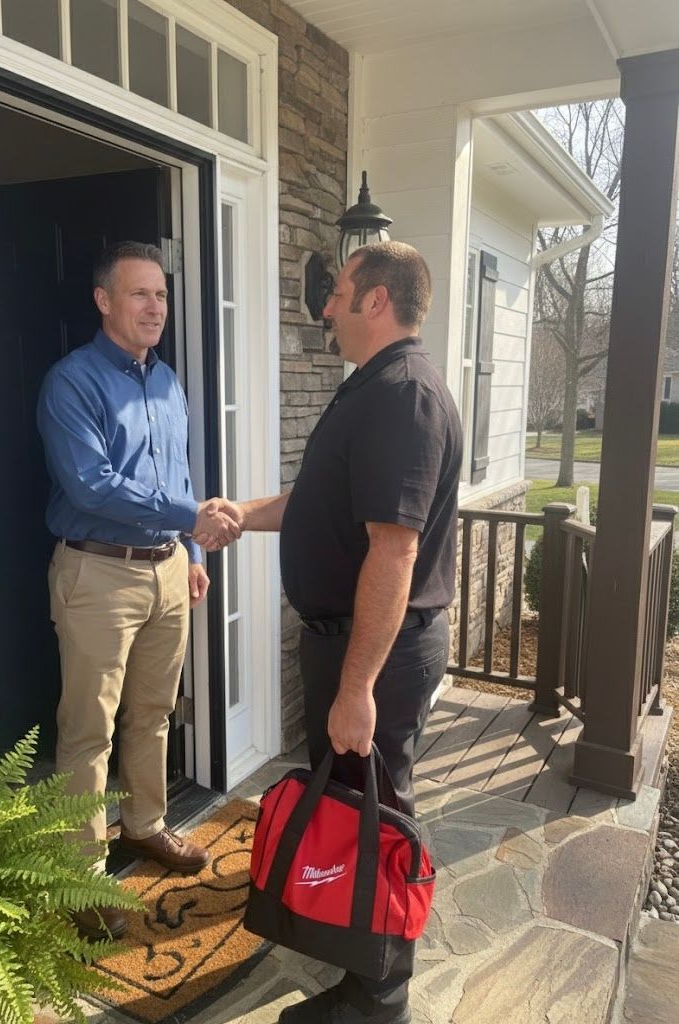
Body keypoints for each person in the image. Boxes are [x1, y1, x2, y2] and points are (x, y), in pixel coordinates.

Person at [238, 241, 462, 1024]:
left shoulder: (402, 395)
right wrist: (243, 515)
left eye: (335, 293)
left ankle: (377, 998)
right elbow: (315, 495)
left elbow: (394, 550)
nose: (323, 307)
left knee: (378, 817)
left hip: (378, 655)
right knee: (349, 807)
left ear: (374, 301)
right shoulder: (368, 390)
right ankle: (353, 959)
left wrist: (357, 686)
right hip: (350, 643)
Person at [37, 241, 241, 941]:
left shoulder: (167, 381)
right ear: (103, 300)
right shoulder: (73, 382)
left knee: (154, 710)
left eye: (160, 294)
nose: (156, 307)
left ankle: (145, 825)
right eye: (139, 295)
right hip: (97, 573)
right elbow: (90, 484)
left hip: (163, 570)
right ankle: (79, 877)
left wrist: (184, 548)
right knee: (87, 729)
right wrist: (192, 519)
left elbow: (173, 475)